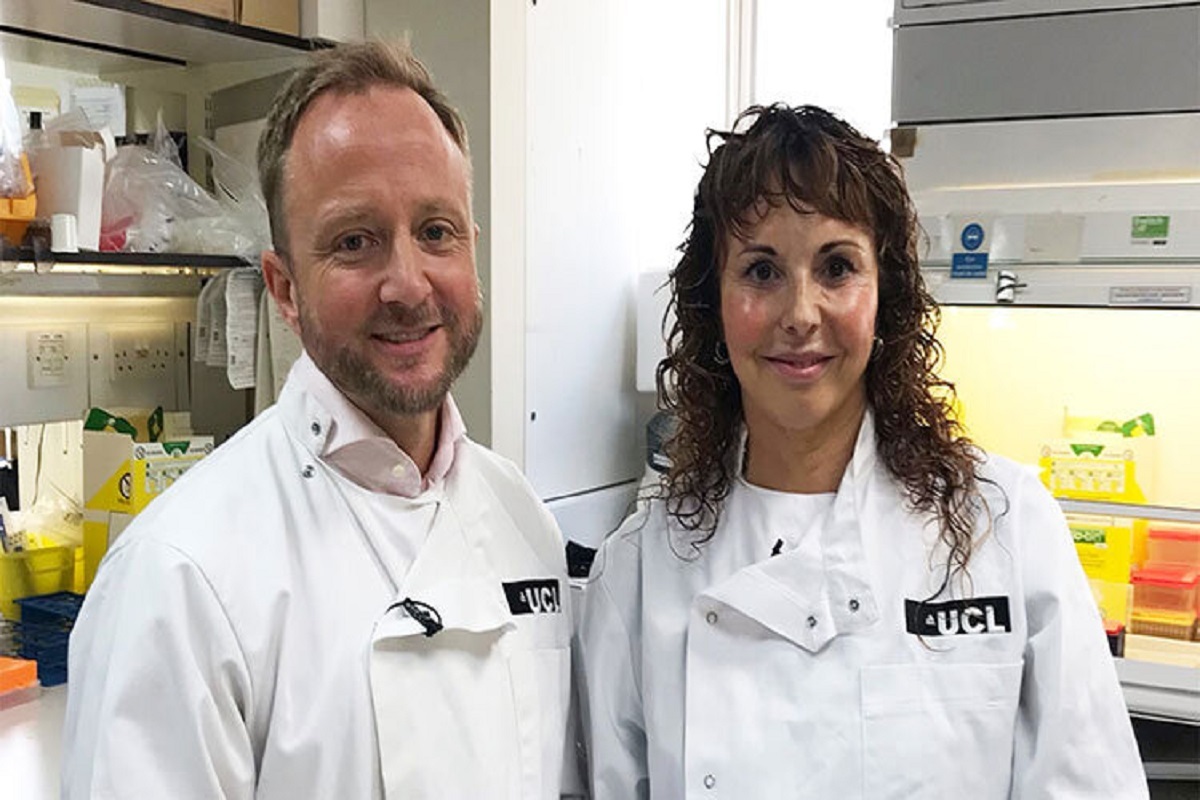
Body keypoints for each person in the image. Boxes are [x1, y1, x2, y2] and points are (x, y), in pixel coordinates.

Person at [576, 104, 1148, 799]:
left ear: (886, 298)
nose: (800, 313)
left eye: (837, 266)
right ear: (712, 304)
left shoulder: (1006, 529)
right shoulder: (640, 569)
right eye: (761, 270)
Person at [64, 41, 573, 799]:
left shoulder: (522, 519)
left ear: (473, 248)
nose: (408, 285)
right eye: (354, 242)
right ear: (284, 289)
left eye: (436, 231)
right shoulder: (177, 576)